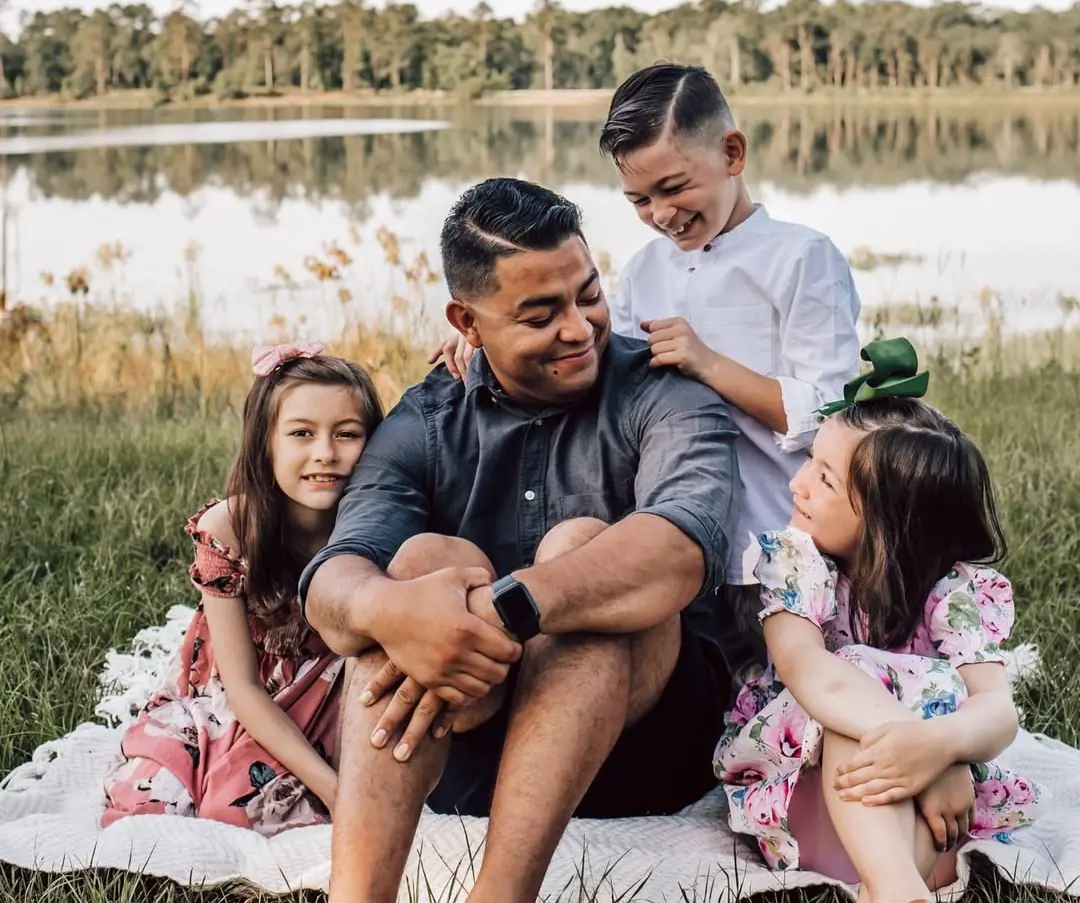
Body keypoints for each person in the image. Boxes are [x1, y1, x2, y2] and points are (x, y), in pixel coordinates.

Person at [301, 177, 741, 903]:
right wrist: (395, 612)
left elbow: (680, 548)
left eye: (588, 295)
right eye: (540, 314)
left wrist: (507, 610)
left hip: (652, 745)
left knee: (581, 557)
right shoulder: (426, 419)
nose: (579, 328)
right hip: (465, 742)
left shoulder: (668, 392)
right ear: (466, 324)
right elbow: (333, 580)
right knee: (417, 570)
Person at [433, 63, 861, 681]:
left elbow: (833, 412)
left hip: (780, 534)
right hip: (670, 537)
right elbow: (601, 370)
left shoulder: (800, 258)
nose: (661, 213)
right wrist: (488, 336)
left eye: (675, 187)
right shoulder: (641, 272)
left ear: (732, 153)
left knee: (793, 689)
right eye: (639, 200)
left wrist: (710, 365)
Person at [713, 338, 1041, 903]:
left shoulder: (952, 592)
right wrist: (921, 748)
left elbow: (997, 710)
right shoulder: (796, 564)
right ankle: (893, 888)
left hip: (925, 824)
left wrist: (940, 749)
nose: (797, 484)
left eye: (825, 478)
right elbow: (809, 671)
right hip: (812, 802)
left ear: (891, 524)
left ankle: (894, 887)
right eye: (808, 463)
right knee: (851, 687)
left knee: (921, 689)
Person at [101, 343, 385, 836]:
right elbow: (242, 686)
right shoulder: (231, 528)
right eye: (301, 433)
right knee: (147, 803)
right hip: (239, 697)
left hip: (331, 697)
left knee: (239, 810)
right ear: (265, 444)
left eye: (348, 434)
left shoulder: (373, 527)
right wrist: (334, 790)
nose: (326, 453)